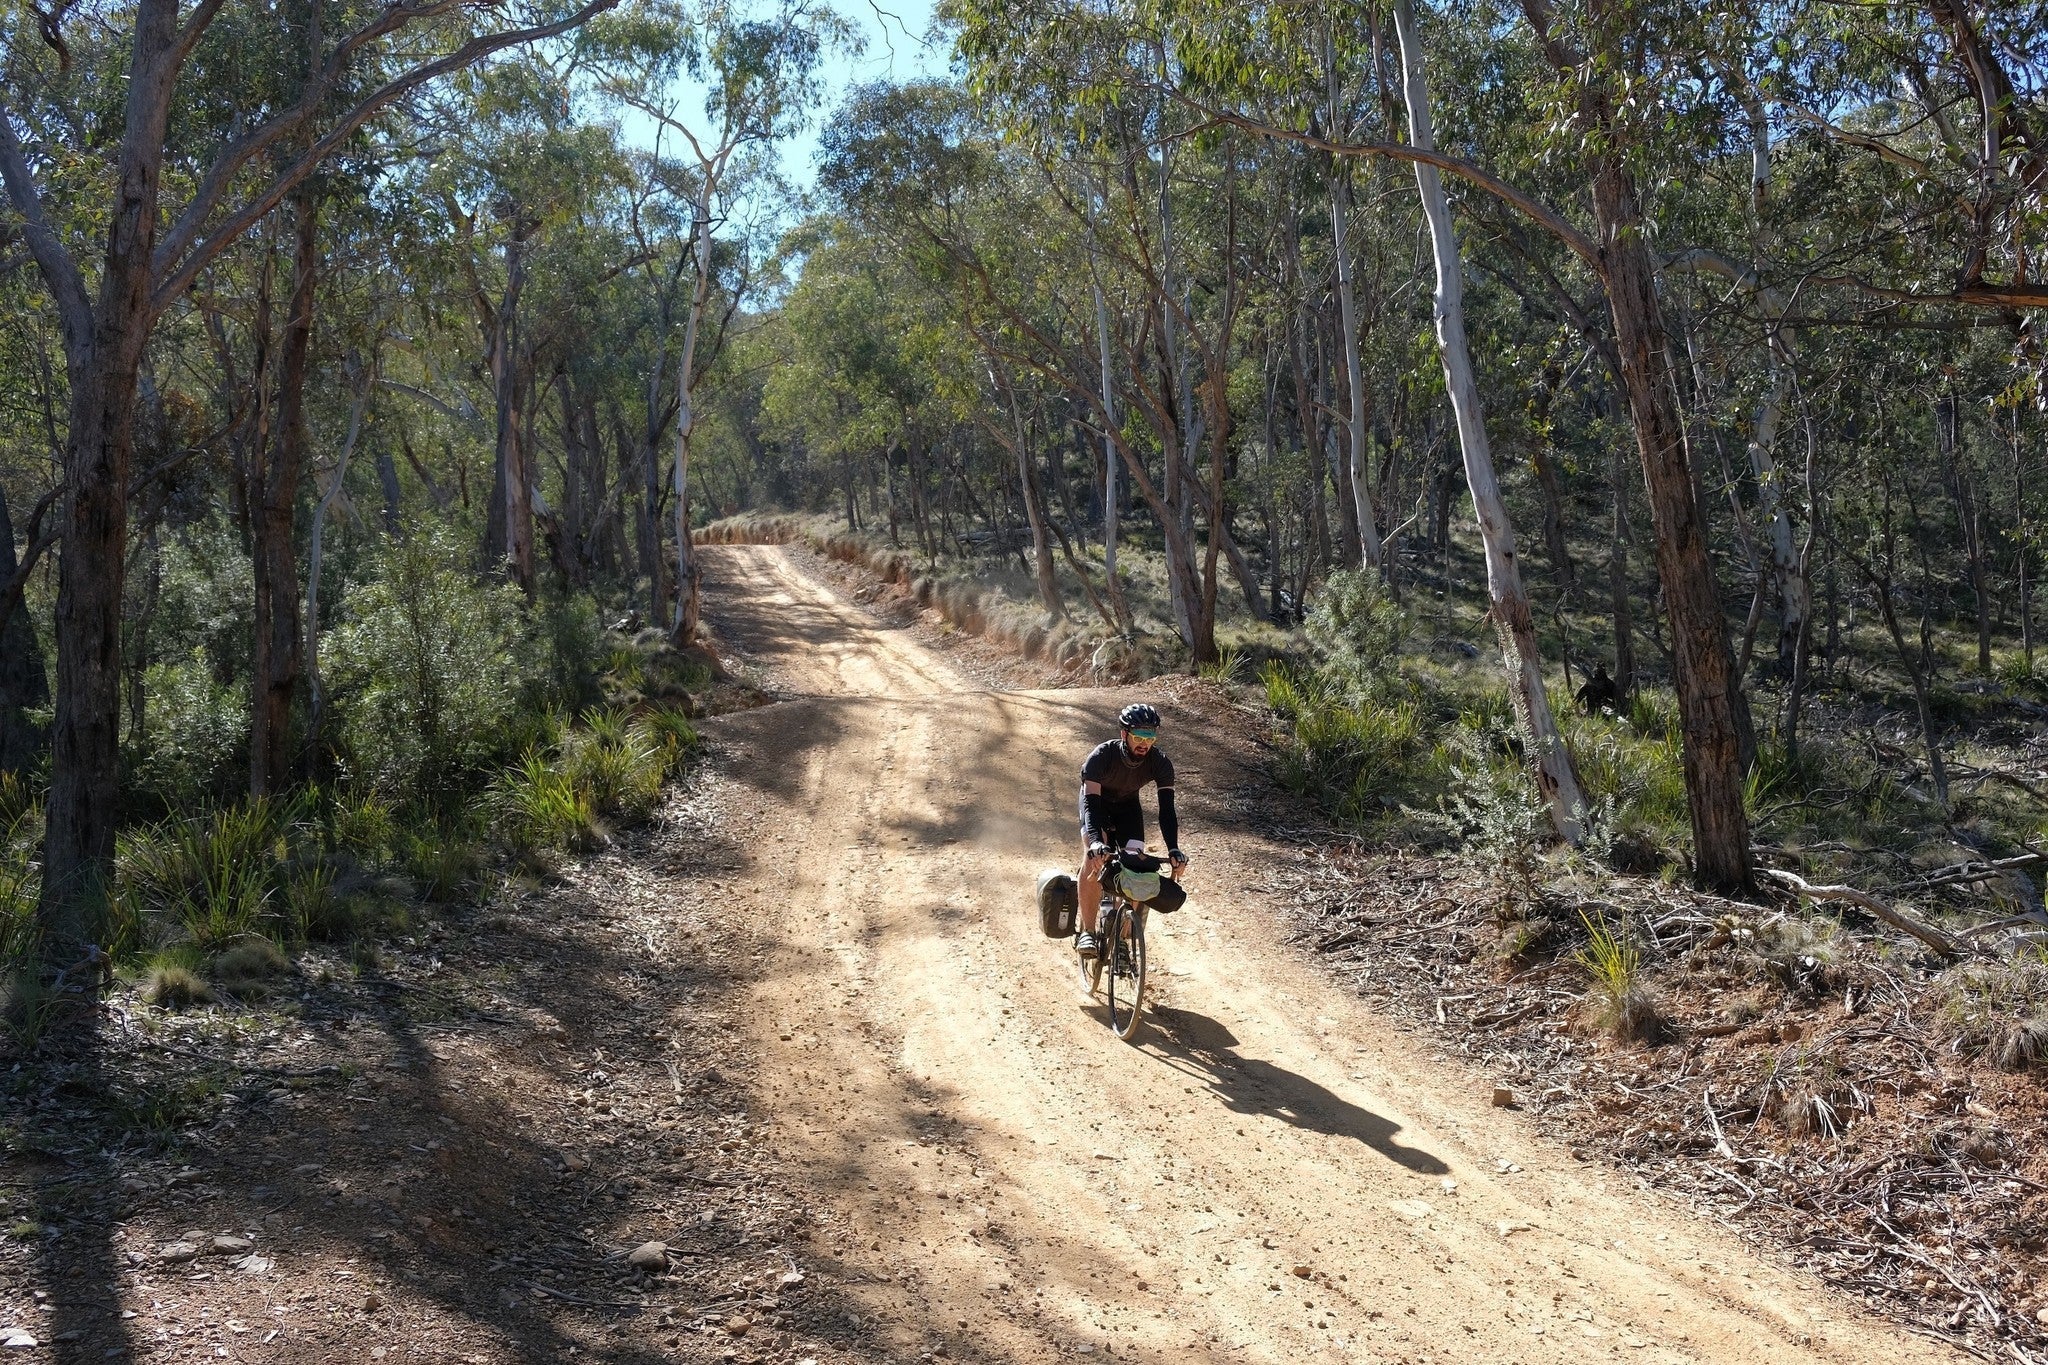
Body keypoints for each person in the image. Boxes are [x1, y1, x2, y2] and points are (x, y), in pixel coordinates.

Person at [1075, 702, 1188, 959]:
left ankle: (1123, 941)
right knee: (1093, 858)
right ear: (1124, 734)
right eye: (1139, 736)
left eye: (1150, 737)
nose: (1144, 744)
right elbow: (1091, 806)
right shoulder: (1100, 758)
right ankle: (1088, 933)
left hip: (1128, 809)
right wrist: (1095, 843)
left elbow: (1167, 811)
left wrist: (1173, 849)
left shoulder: (1159, 763)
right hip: (1098, 806)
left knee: (1137, 865)